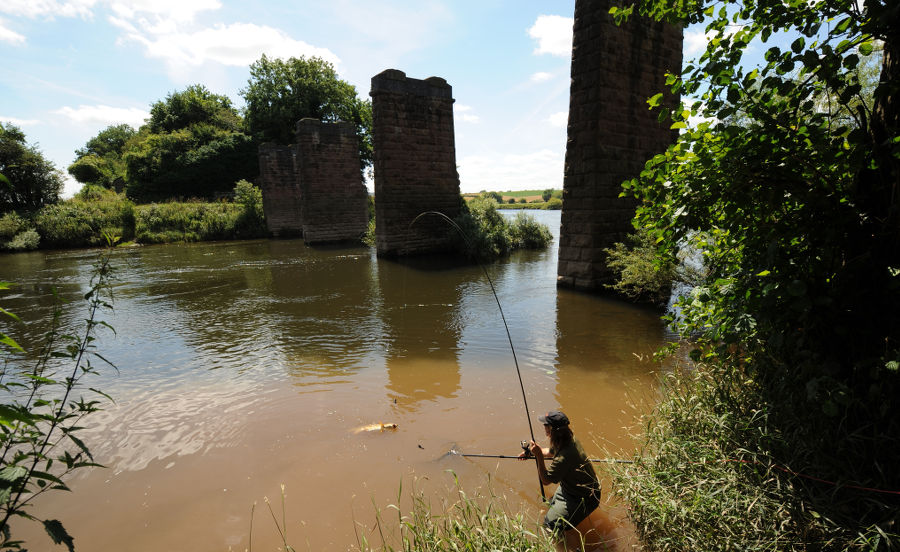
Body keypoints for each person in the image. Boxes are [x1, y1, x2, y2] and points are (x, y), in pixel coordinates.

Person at [518, 410, 602, 536]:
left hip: (584, 498)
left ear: (553, 429)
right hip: (571, 489)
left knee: (549, 525)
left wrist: (539, 456)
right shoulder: (567, 439)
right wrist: (531, 452)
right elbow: (550, 452)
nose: (544, 427)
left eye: (546, 425)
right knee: (550, 503)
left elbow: (546, 480)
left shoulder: (564, 456)